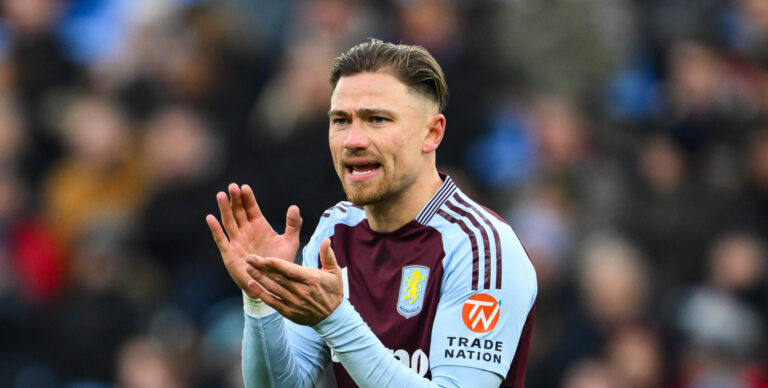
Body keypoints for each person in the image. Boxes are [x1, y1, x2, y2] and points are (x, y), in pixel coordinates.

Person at [206, 39, 537, 388]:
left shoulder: (480, 247)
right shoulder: (334, 231)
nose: (353, 140)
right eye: (341, 121)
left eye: (377, 119)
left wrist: (335, 319)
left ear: (432, 133)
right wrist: (262, 297)